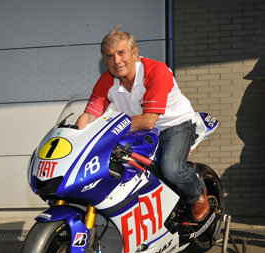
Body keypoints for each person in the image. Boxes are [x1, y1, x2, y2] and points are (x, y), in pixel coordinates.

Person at [76, 28, 209, 222]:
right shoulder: (106, 81)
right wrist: (78, 135)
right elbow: (89, 115)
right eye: (110, 56)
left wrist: (110, 129)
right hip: (135, 129)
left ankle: (197, 195)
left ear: (134, 52)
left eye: (121, 53)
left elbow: (148, 121)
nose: (117, 61)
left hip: (174, 125)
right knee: (119, 167)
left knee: (171, 168)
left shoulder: (156, 71)